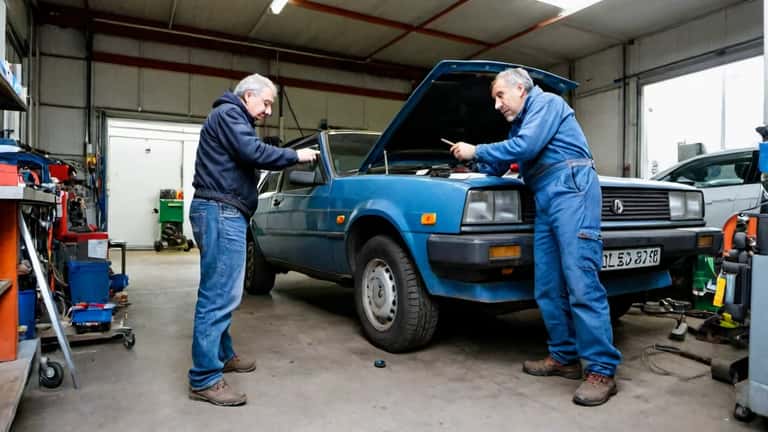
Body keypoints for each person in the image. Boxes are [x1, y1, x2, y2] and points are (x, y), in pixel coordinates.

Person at [450, 68, 621, 406]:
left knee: (581, 281)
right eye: (494, 99)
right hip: (544, 196)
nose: (497, 105)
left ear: (520, 87)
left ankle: (602, 370)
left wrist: (477, 149)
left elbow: (525, 147)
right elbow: (501, 163)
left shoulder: (548, 103)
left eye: (500, 96)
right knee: (546, 284)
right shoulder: (520, 124)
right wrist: (467, 164)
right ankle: (564, 356)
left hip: (571, 187)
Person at [188, 73, 318, 406]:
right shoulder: (230, 114)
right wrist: (296, 156)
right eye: (266, 102)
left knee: (222, 292)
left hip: (222, 211)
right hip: (220, 211)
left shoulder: (230, 116)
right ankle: (204, 378)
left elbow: (249, 152)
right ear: (247, 96)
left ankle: (223, 354)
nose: (268, 111)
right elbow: (252, 151)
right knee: (218, 295)